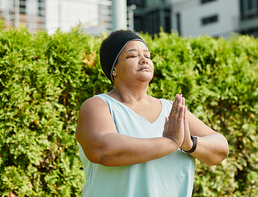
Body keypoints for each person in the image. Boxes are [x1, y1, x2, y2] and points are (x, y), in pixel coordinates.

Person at [75, 30, 229, 197]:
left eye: (147, 55)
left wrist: (189, 144)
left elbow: (220, 149)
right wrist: (171, 143)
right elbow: (102, 150)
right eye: (132, 56)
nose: (144, 60)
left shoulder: (172, 110)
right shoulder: (99, 105)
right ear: (114, 69)